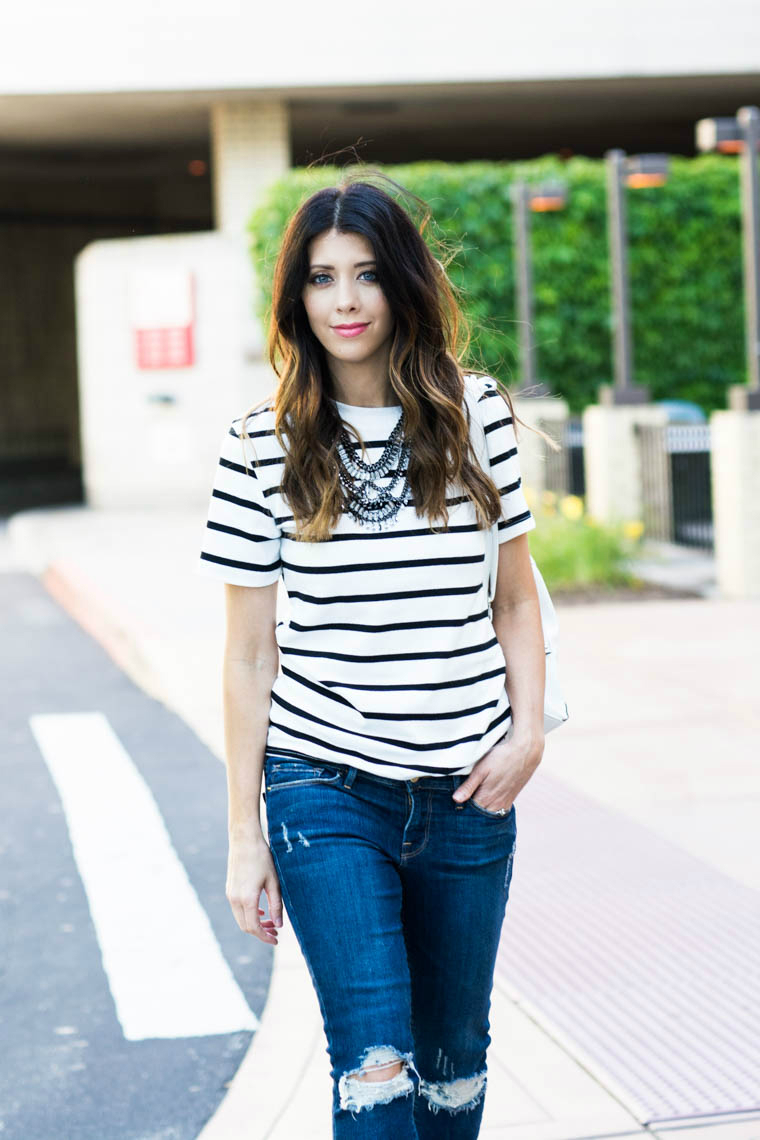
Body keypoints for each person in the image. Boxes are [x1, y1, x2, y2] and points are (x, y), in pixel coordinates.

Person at [197, 171, 547, 1139]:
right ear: (295, 298)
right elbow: (246, 657)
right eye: (319, 279)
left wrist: (527, 738)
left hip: (468, 792)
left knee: (452, 1070)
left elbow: (515, 600)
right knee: (376, 1069)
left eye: (363, 275)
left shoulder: (476, 419)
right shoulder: (257, 444)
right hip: (324, 790)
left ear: (399, 284)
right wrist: (244, 836)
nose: (344, 301)